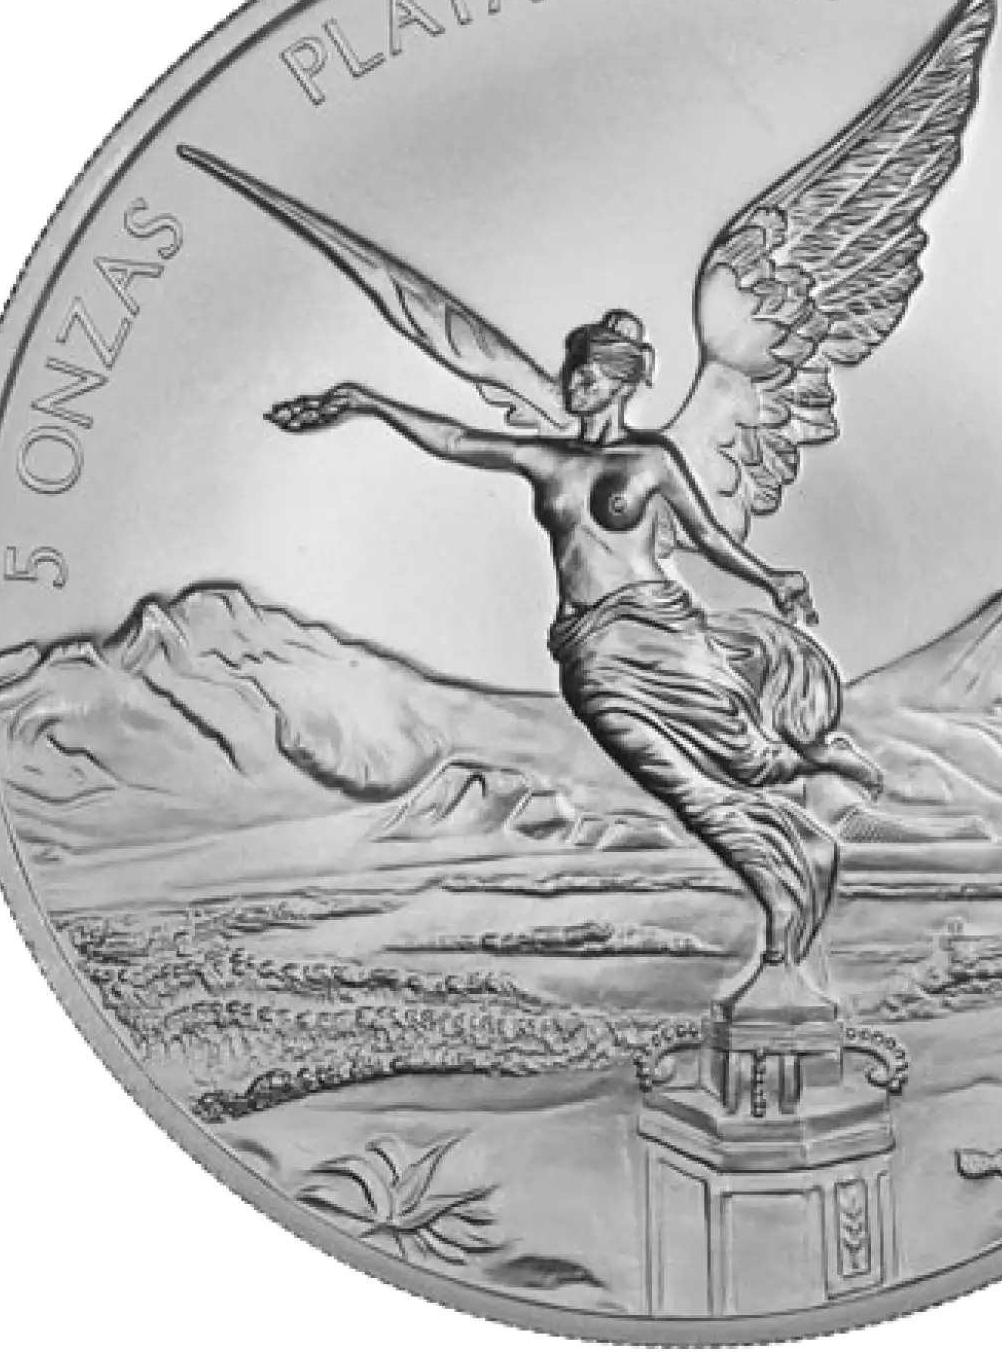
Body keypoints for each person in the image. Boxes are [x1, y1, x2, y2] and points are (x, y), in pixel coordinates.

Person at [268, 309, 882, 979]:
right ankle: (789, 874)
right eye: (570, 373)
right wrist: (370, 403)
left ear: (619, 383)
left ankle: (817, 769)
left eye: (585, 375)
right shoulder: (547, 459)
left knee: (743, 756)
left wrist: (772, 579)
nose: (571, 385)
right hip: (590, 652)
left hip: (659, 628)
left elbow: (707, 536)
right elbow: (455, 439)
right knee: (674, 781)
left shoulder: (651, 460)